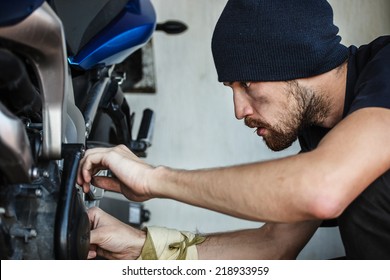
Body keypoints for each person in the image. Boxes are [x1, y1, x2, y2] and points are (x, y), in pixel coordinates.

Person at [77, 0, 390, 260]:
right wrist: (141, 245)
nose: (239, 111)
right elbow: (272, 245)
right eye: (232, 88)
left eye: (246, 83)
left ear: (296, 59)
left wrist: (153, 178)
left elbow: (321, 190)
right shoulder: (321, 136)